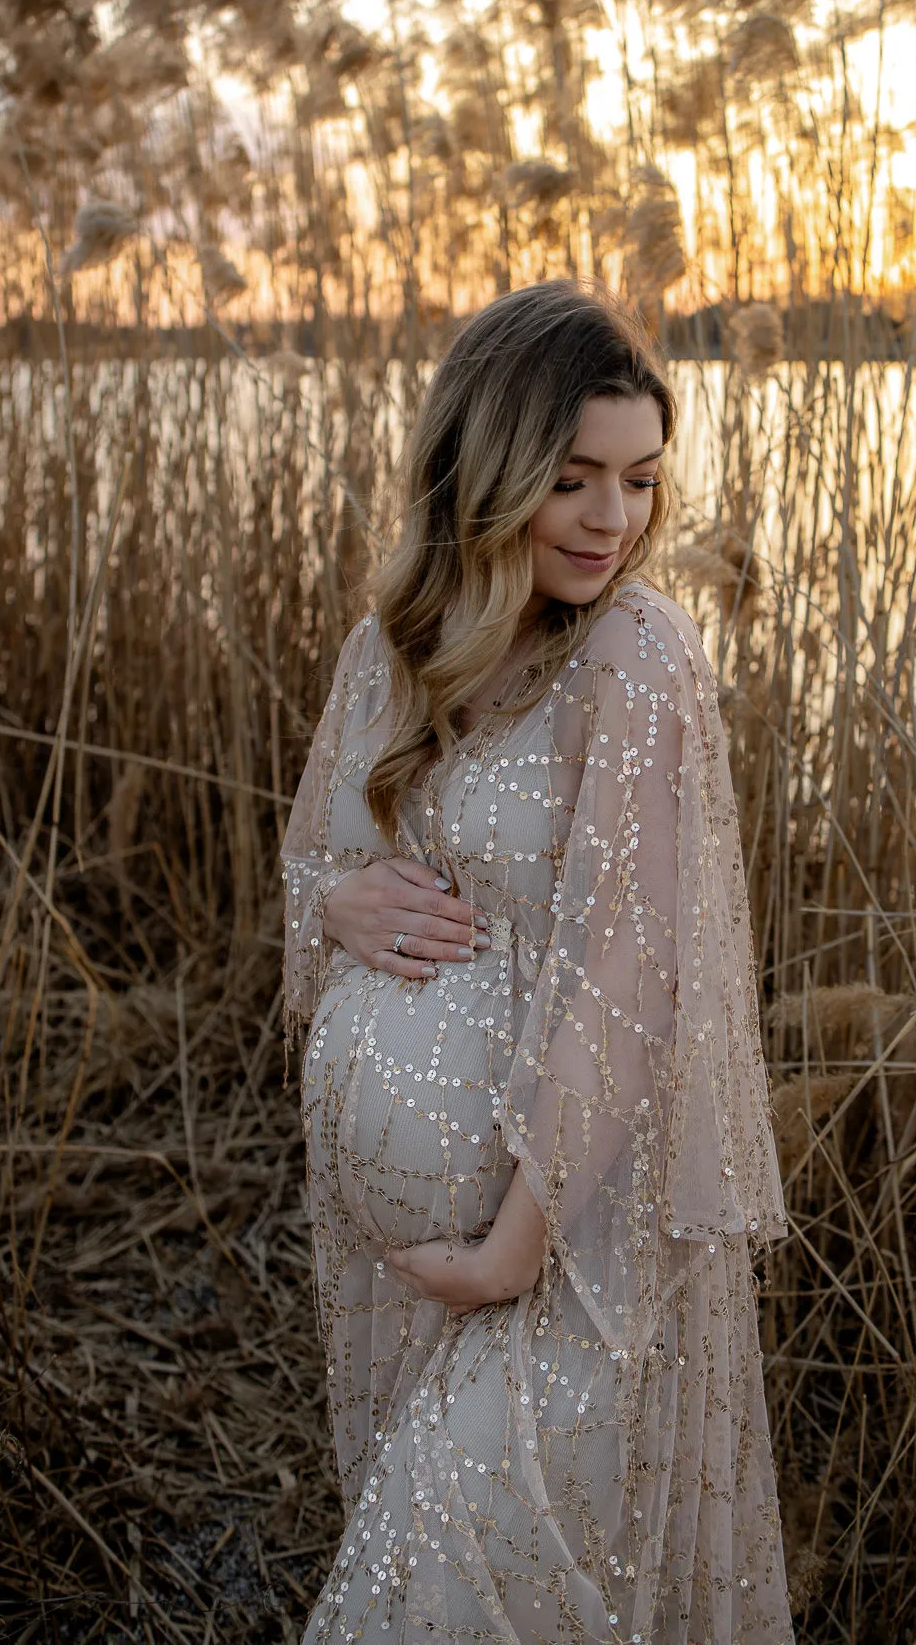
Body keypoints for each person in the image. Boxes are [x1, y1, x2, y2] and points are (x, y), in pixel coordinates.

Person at [281, 279, 793, 1643]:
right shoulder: (390, 649)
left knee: (444, 1590)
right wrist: (338, 907)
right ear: (484, 466)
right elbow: (312, 863)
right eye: (573, 479)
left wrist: (512, 1251)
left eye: (639, 479)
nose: (613, 519)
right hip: (407, 1262)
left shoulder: (635, 652)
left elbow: (633, 978)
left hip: (569, 1254)